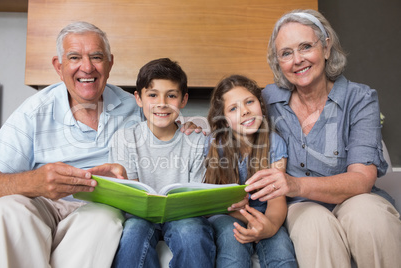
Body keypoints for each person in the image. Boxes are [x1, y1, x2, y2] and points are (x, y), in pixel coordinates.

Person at [0, 22, 199, 267]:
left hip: (95, 209)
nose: (87, 67)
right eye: (74, 57)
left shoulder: (134, 106)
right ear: (58, 66)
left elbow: (167, 121)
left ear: (109, 63)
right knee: (8, 209)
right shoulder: (33, 111)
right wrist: (34, 181)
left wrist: (188, 127)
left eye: (96, 57)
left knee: (105, 218)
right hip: (42, 204)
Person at [241, 9, 401, 267]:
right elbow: (230, 120)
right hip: (301, 207)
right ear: (278, 61)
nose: (297, 60)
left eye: (305, 47)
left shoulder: (360, 99)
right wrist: (186, 126)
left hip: (355, 198)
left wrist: (295, 184)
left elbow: (361, 179)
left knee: (371, 219)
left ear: (326, 48)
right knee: (314, 226)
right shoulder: (267, 100)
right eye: (286, 53)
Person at [106, 58, 215, 268]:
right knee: (133, 233)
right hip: (140, 216)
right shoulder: (125, 139)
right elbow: (134, 196)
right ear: (138, 98)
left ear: (183, 100)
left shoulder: (196, 140)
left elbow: (196, 197)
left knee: (191, 232)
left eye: (171, 95)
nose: (162, 103)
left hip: (184, 215)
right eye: (153, 95)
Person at [203, 75, 297, 268]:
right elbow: (211, 201)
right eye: (233, 109)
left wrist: (268, 226)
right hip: (226, 215)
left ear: (261, 106)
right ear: (225, 120)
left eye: (249, 102)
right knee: (233, 244)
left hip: (265, 213)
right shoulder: (215, 145)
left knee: (281, 251)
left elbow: (277, 199)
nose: (245, 111)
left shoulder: (274, 143)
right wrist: (240, 213)